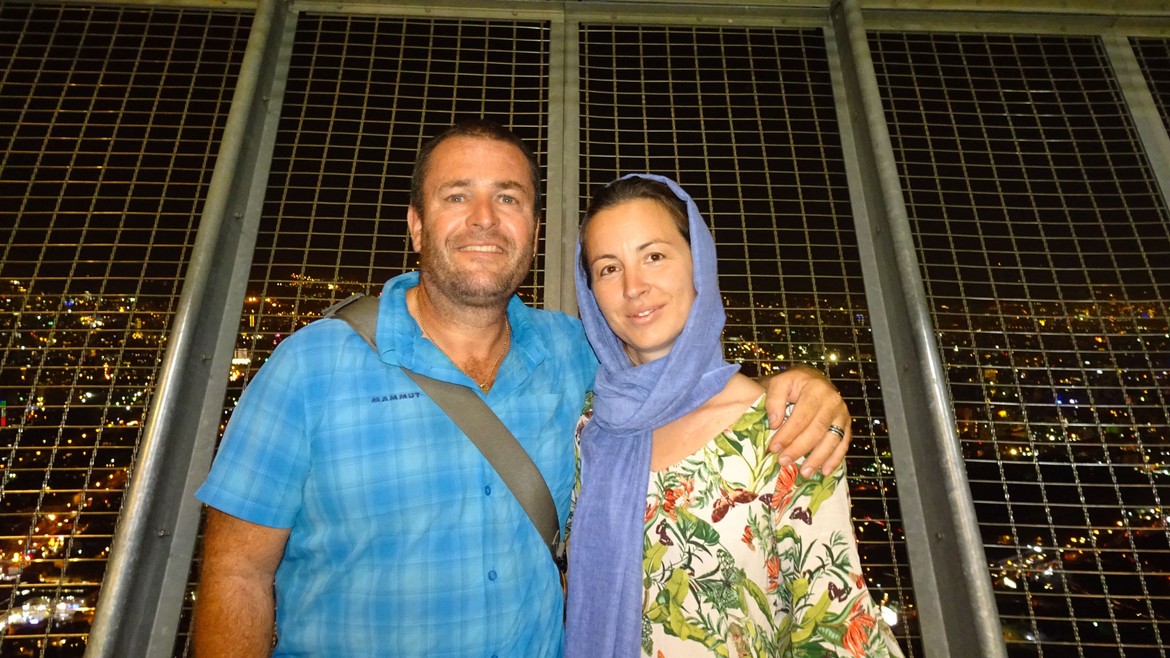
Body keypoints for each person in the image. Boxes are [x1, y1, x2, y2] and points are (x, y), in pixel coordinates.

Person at [191, 120, 852, 657]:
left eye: (508, 198)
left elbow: (669, 373)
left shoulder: (576, 355)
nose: (484, 218)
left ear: (533, 228)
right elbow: (236, 572)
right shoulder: (309, 367)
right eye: (457, 196)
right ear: (416, 225)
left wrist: (800, 385)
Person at [565, 174, 904, 658]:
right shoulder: (589, 426)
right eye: (608, 268)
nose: (634, 287)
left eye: (654, 256)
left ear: (698, 263)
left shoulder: (782, 429)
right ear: (591, 291)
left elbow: (832, 622)